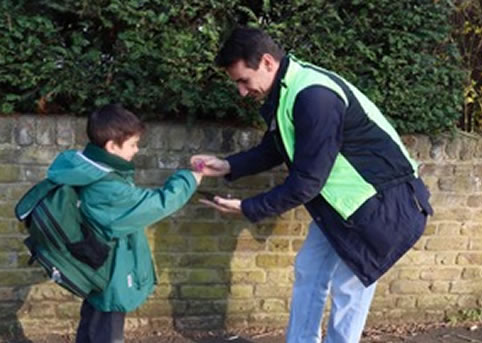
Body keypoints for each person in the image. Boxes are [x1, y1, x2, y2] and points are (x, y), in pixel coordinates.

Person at [191, 27, 433, 343]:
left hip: (382, 207)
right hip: (340, 206)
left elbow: (306, 181)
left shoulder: (314, 96)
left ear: (266, 62)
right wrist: (228, 165)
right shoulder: (288, 89)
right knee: (309, 269)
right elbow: (277, 145)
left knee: (349, 286)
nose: (240, 91)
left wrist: (249, 208)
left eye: (243, 81)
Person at [45, 104, 202, 343]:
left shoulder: (89, 168)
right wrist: (191, 177)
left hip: (95, 265)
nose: (137, 150)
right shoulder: (105, 187)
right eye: (132, 144)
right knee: (107, 332)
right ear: (111, 146)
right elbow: (156, 203)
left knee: (91, 325)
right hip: (110, 273)